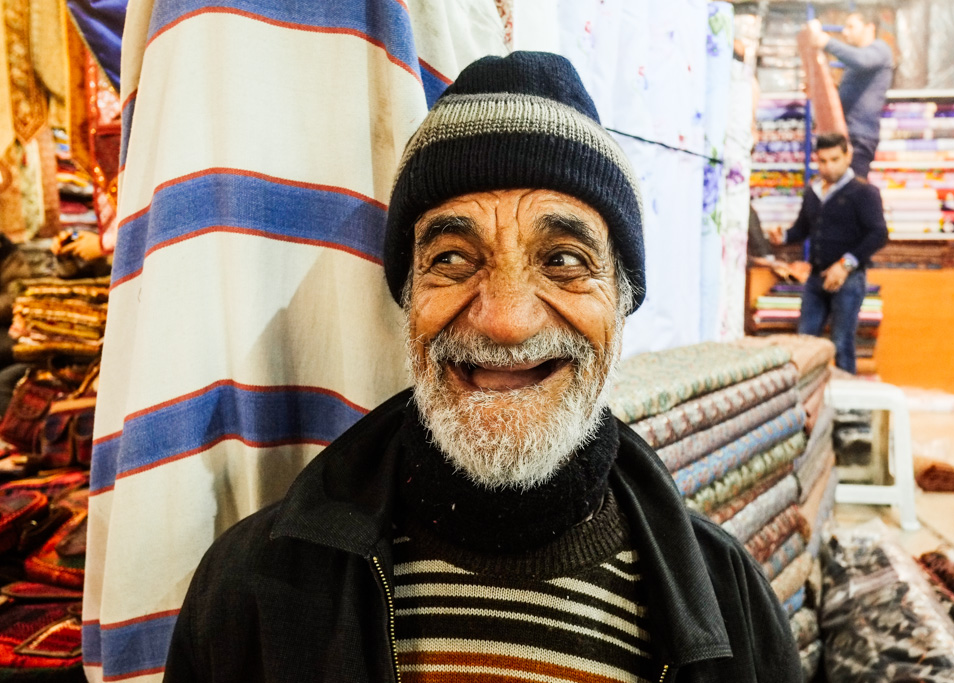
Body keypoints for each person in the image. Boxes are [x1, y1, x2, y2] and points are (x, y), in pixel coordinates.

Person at [163, 51, 801, 683]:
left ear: (624, 300)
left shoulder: (728, 605)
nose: (506, 320)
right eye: (451, 259)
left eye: (563, 261)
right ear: (409, 299)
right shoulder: (250, 589)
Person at [769, 132, 888, 374]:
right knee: (805, 342)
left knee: (842, 343)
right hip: (816, 278)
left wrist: (845, 264)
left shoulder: (864, 193)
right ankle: (808, 402)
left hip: (849, 279)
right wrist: (782, 237)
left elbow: (879, 234)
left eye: (834, 159)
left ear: (848, 156)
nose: (829, 166)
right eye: (823, 161)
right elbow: (803, 229)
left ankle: (848, 408)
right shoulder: (813, 192)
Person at [807, 10, 894, 178]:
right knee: (838, 190)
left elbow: (862, 60)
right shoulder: (857, 60)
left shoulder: (879, 50)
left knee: (852, 190)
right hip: (845, 134)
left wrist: (827, 42)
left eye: (851, 27)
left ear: (870, 27)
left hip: (860, 136)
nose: (845, 32)